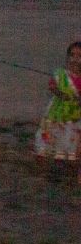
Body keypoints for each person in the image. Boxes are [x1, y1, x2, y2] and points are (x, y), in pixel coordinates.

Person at [33, 41, 81, 181]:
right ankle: (41, 173)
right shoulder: (60, 74)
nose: (75, 59)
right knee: (46, 146)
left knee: (70, 147)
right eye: (72, 55)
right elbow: (52, 86)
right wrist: (61, 94)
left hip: (74, 119)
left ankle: (70, 171)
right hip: (56, 116)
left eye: (79, 56)